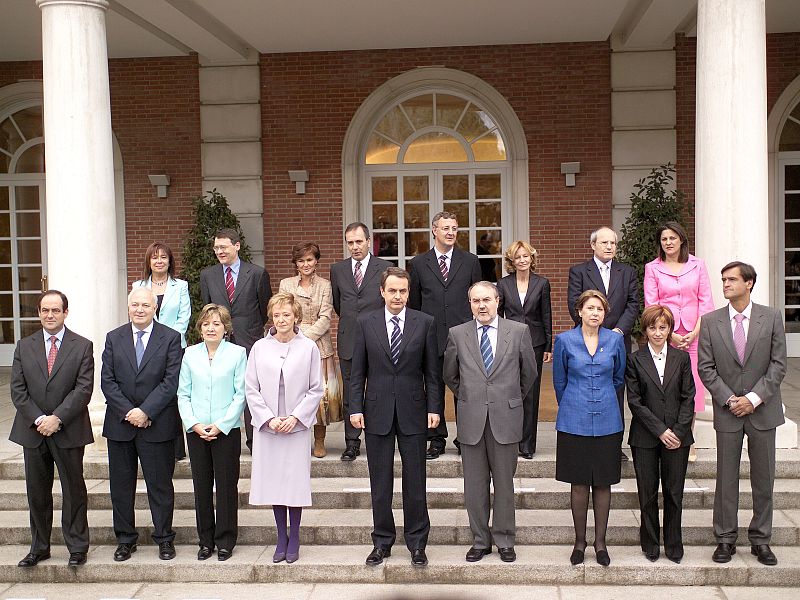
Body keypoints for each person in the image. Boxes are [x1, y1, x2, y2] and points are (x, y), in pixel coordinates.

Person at [349, 267, 442, 568]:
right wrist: (354, 408)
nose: (398, 296)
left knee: (416, 482)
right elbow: (356, 373)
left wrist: (434, 408)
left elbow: (432, 373)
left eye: (403, 291)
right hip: (376, 412)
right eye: (393, 291)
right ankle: (382, 542)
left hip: (414, 411)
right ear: (382, 292)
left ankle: (417, 543)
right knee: (381, 482)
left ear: (408, 292)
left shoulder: (425, 322)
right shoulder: (365, 323)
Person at [698, 262, 787, 566]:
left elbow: (778, 365)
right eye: (723, 279)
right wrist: (729, 399)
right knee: (726, 479)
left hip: (762, 411)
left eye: (731, 279)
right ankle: (725, 539)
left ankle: (761, 540)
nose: (725, 284)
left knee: (764, 480)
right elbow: (706, 368)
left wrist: (753, 398)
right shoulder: (710, 321)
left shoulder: (772, 317)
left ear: (749, 283)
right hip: (728, 412)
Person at [443, 281, 537, 564]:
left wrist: (507, 398)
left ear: (498, 301)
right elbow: (450, 375)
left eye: (486, 300)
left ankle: (505, 540)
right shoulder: (457, 334)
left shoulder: (518, 332)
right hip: (472, 419)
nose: (481, 306)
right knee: (474, 485)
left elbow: (529, 373)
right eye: (475, 301)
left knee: (505, 484)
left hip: (505, 418)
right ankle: (481, 540)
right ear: (469, 304)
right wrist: (472, 397)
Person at [9, 290, 94, 568]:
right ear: (38, 313)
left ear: (65, 313)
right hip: (32, 432)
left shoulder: (82, 346)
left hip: (68, 429)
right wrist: (38, 419)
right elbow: (18, 390)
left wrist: (57, 418)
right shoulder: (24, 346)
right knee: (37, 492)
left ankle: (77, 547)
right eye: (45, 310)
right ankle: (39, 547)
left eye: (55, 310)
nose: (50, 315)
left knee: (74, 490)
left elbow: (83, 389)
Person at [101, 287, 183, 562]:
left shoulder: (170, 338)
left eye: (145, 305)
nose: (139, 309)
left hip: (156, 424)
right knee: (121, 487)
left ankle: (164, 539)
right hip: (120, 425)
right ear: (128, 307)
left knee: (160, 487)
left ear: (155, 308)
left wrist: (146, 411)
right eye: (134, 304)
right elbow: (107, 381)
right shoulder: (114, 338)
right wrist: (130, 411)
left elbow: (171, 381)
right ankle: (125, 540)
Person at [246, 292, 323, 564]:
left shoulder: (308, 348)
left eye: (286, 314)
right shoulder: (259, 348)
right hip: (269, 427)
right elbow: (251, 389)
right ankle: (281, 537)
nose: (281, 320)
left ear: (296, 316)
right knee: (274, 483)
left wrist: (296, 417)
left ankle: (296, 537)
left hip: (296, 427)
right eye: (276, 315)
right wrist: (268, 418)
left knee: (294, 482)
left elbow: (316, 389)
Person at [553, 289, 626, 567]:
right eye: (590, 308)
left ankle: (601, 543)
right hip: (574, 420)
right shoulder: (565, 340)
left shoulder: (615, 340)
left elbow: (618, 378)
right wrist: (575, 403)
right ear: (579, 311)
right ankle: (580, 542)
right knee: (579, 483)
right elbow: (560, 381)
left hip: (608, 420)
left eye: (600, 309)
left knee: (604, 482)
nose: (595, 313)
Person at [626, 305, 695, 564]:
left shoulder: (682, 358)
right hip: (645, 436)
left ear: (670, 329)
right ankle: (651, 543)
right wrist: (660, 430)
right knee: (647, 492)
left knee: (674, 492)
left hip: (678, 436)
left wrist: (676, 431)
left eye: (663, 327)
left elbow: (688, 397)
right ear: (645, 330)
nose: (657, 332)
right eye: (652, 327)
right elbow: (635, 401)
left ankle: (674, 544)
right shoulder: (635, 359)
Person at [409, 211, 482, 459]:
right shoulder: (419, 264)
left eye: (454, 228)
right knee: (433, 390)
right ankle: (436, 439)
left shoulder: (470, 261)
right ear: (434, 231)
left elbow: (477, 300)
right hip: (431, 337)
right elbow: (416, 306)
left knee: (465, 390)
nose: (450, 232)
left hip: (464, 338)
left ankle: (465, 438)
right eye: (445, 228)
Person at [177, 304, 246, 562]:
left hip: (225, 430)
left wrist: (221, 424)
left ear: (225, 328)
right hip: (196, 431)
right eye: (206, 324)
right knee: (201, 486)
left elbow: (241, 394)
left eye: (216, 323)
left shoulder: (238, 354)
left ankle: (225, 539)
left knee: (227, 486)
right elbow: (183, 393)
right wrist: (193, 424)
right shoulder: (189, 355)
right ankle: (205, 540)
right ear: (200, 328)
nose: (211, 328)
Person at [643, 222, 714, 462]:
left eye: (673, 238)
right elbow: (652, 303)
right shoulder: (652, 268)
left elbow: (706, 300)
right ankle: (666, 435)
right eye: (664, 239)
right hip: (665, 334)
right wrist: (668, 332)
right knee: (667, 386)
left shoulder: (697, 265)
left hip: (694, 334)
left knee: (691, 387)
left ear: (681, 240)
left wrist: (695, 331)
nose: (669, 242)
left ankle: (687, 438)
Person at [568, 226, 638, 461]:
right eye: (605, 243)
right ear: (593, 245)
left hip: (618, 340)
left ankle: (613, 446)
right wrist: (596, 329)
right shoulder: (579, 271)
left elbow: (633, 304)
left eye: (613, 243)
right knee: (585, 388)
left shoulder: (626, 272)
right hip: (586, 340)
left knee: (615, 391)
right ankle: (586, 439)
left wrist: (617, 332)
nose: (610, 247)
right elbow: (574, 304)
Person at [200, 227, 272, 451]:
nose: (219, 251)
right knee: (222, 388)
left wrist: (249, 329)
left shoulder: (257, 273)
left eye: (223, 247)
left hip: (248, 339)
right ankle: (224, 436)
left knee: (251, 389)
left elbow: (264, 310)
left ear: (237, 245)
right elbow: (208, 309)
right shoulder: (208, 275)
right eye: (216, 248)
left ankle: (254, 441)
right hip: (219, 342)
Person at [330, 222, 391, 461]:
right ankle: (352, 442)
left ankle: (380, 438)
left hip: (377, 339)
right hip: (349, 339)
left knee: (380, 391)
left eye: (358, 241)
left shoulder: (385, 267)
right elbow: (338, 304)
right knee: (351, 393)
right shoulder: (338, 269)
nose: (354, 247)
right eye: (350, 243)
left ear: (368, 241)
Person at [279, 242, 343, 458]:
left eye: (309, 259)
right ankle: (295, 439)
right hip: (290, 346)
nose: (305, 264)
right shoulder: (286, 284)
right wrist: (295, 337)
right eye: (301, 260)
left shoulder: (325, 285)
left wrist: (304, 338)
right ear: (295, 263)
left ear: (316, 261)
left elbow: (326, 318)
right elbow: (283, 311)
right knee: (293, 394)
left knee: (321, 396)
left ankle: (319, 440)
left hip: (319, 346)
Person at [133, 241, 191, 461]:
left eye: (163, 257)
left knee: (173, 395)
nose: (159, 261)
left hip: (175, 347)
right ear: (149, 261)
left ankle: (176, 448)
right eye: (154, 257)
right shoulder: (138, 285)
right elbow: (138, 315)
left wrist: (167, 341)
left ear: (170, 261)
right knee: (151, 392)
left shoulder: (181, 286)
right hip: (146, 349)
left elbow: (183, 317)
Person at [497, 240, 552, 457]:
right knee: (509, 390)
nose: (522, 260)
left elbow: (546, 315)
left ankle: (527, 445)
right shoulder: (502, 284)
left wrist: (548, 344)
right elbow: (498, 315)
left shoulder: (542, 283)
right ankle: (510, 440)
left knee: (531, 392)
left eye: (525, 256)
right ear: (512, 261)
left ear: (531, 259)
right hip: (509, 342)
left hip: (535, 342)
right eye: (517, 257)